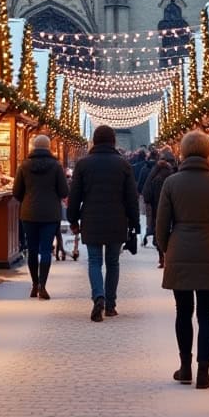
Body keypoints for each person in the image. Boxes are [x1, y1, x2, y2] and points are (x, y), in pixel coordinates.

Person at [154, 129, 209, 389]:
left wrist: (166, 248)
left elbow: (162, 222)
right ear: (208, 151)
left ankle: (185, 366)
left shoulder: (172, 183)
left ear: (183, 152)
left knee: (183, 311)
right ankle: (203, 372)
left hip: (180, 248)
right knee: (207, 315)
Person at [67, 125, 140, 320]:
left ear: (95, 140)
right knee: (113, 262)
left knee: (94, 261)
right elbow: (131, 197)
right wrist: (134, 223)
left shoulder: (83, 165)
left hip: (91, 219)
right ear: (113, 141)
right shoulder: (123, 164)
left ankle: (98, 296)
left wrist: (73, 219)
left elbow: (75, 196)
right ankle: (110, 304)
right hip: (117, 219)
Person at [13, 134, 69, 300]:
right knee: (46, 250)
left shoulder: (24, 166)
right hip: (50, 214)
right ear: (48, 147)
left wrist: (28, 198)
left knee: (32, 249)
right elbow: (64, 191)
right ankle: (43, 285)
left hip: (29, 213)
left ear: (33, 147)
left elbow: (16, 192)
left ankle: (34, 284)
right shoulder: (56, 166)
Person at [143, 145, 177, 255]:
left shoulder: (155, 175)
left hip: (157, 208)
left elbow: (146, 191)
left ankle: (161, 254)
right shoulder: (177, 173)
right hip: (176, 212)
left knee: (160, 226)